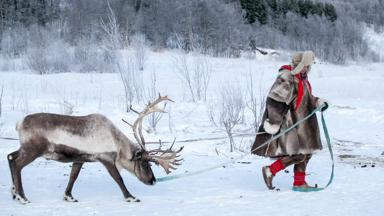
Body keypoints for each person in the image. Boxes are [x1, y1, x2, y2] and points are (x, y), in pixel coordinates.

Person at [251, 51, 328, 190]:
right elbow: (274, 100)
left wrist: (318, 102)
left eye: (309, 66)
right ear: (300, 64)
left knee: (306, 153)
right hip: (290, 124)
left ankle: (299, 183)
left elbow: (306, 100)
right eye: (306, 66)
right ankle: (270, 171)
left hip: (302, 124)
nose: (308, 69)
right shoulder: (287, 76)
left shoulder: (302, 78)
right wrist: (273, 122)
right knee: (298, 154)